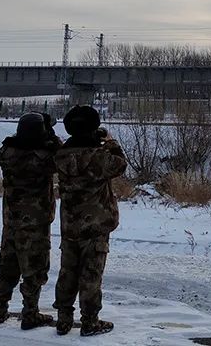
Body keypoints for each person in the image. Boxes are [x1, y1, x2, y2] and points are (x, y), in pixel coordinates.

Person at [53, 105, 127, 336]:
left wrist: (85, 139)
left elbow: (73, 149)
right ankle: (90, 321)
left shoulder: (61, 156)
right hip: (95, 225)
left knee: (67, 272)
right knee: (91, 275)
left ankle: (64, 319)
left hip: (69, 225)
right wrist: (110, 142)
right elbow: (120, 164)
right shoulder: (100, 158)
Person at [0, 112, 61, 329]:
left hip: (11, 220)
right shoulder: (44, 158)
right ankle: (30, 313)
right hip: (35, 223)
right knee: (35, 268)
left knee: (7, 267)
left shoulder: (7, 154)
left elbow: (0, 153)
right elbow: (61, 156)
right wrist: (51, 135)